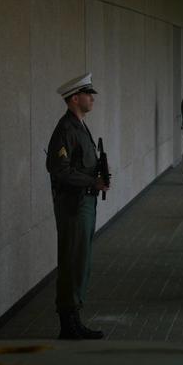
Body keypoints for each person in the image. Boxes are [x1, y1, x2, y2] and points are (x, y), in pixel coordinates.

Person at [46, 72, 109, 339]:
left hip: (84, 202)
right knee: (73, 260)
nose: (92, 98)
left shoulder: (79, 126)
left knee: (80, 260)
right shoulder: (66, 129)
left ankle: (74, 319)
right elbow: (58, 169)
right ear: (74, 99)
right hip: (74, 205)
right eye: (87, 94)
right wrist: (91, 182)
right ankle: (68, 324)